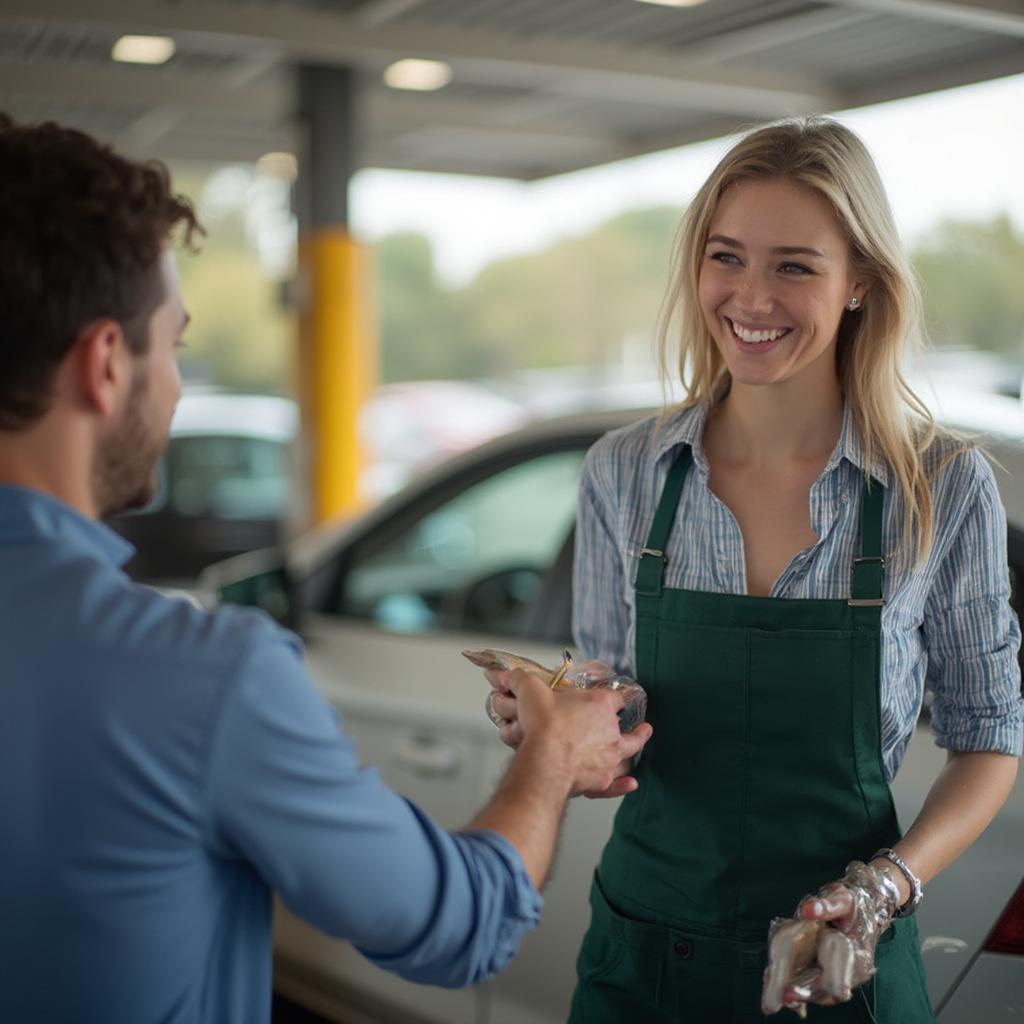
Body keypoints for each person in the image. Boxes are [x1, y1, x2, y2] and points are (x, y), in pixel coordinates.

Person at [0, 114, 652, 1024]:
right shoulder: (200, 674)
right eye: (174, 345)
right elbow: (457, 924)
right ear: (106, 364)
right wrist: (553, 757)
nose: (179, 385)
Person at [484, 117, 1022, 1021]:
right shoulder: (626, 470)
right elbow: (612, 689)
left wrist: (886, 887)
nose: (750, 297)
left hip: (842, 963)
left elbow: (990, 736)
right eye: (726, 257)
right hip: (645, 951)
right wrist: (555, 717)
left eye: (795, 266)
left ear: (860, 284)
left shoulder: (941, 486)